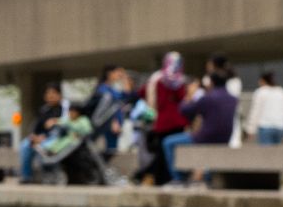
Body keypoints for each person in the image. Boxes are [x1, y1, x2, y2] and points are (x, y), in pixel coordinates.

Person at [164, 63, 240, 185]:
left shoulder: (208, 98)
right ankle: (206, 176)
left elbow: (185, 110)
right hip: (225, 139)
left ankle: (178, 179)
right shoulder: (233, 99)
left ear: (212, 82)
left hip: (205, 138)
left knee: (168, 142)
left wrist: (189, 95)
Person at [139, 52, 189, 185]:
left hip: (161, 122)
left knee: (161, 152)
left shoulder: (156, 79)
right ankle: (169, 177)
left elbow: (142, 93)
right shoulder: (179, 81)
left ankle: (156, 178)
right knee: (172, 153)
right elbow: (182, 99)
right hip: (177, 122)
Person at [18, 83, 67, 181]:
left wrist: (55, 121)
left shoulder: (66, 108)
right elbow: (36, 128)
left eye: (53, 93)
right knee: (25, 145)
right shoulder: (44, 110)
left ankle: (48, 174)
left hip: (58, 138)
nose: (50, 96)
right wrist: (35, 137)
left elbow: (68, 124)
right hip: (41, 138)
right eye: (48, 93)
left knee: (46, 146)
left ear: (60, 95)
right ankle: (26, 176)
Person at [244, 70, 283, 146]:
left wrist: (250, 129)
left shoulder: (260, 92)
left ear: (263, 81)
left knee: (265, 154)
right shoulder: (281, 92)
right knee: (276, 154)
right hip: (280, 127)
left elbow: (255, 111)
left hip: (265, 126)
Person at [89, 65, 128, 155]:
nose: (119, 75)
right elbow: (104, 109)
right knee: (109, 151)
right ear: (109, 74)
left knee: (112, 150)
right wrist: (113, 122)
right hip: (107, 125)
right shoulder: (103, 89)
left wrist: (124, 78)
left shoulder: (111, 89)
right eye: (116, 72)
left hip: (114, 125)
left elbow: (126, 95)